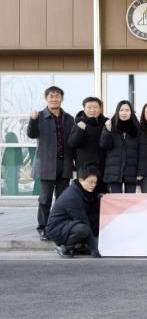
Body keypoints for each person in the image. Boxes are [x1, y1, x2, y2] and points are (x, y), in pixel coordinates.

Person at [27, 86, 75, 241]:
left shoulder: (69, 118)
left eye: (57, 96)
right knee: (45, 199)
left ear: (62, 98)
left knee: (62, 199)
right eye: (51, 96)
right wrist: (33, 120)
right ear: (46, 98)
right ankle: (43, 228)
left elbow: (73, 142)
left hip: (64, 164)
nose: (54, 99)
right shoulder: (39, 116)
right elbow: (32, 134)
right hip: (47, 164)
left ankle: (59, 226)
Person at [45, 166, 101, 259]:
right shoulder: (72, 196)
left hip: (69, 224)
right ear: (81, 180)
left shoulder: (82, 190)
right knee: (83, 229)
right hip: (56, 229)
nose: (93, 185)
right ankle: (64, 248)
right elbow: (83, 221)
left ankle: (79, 246)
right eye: (90, 182)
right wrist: (94, 250)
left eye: (95, 182)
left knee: (95, 219)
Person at [99, 100, 146, 193]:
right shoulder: (110, 125)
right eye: (121, 110)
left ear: (131, 112)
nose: (124, 113)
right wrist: (107, 131)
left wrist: (141, 172)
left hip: (132, 171)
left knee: (129, 200)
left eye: (127, 110)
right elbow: (104, 145)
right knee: (116, 199)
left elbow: (143, 152)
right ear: (117, 112)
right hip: (114, 171)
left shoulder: (138, 128)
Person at [68, 96, 108, 194]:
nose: (92, 110)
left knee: (101, 194)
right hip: (84, 167)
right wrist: (80, 130)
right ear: (84, 109)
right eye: (89, 107)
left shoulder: (106, 123)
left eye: (95, 107)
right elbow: (72, 143)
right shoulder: (78, 123)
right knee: (84, 194)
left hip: (102, 166)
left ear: (100, 109)